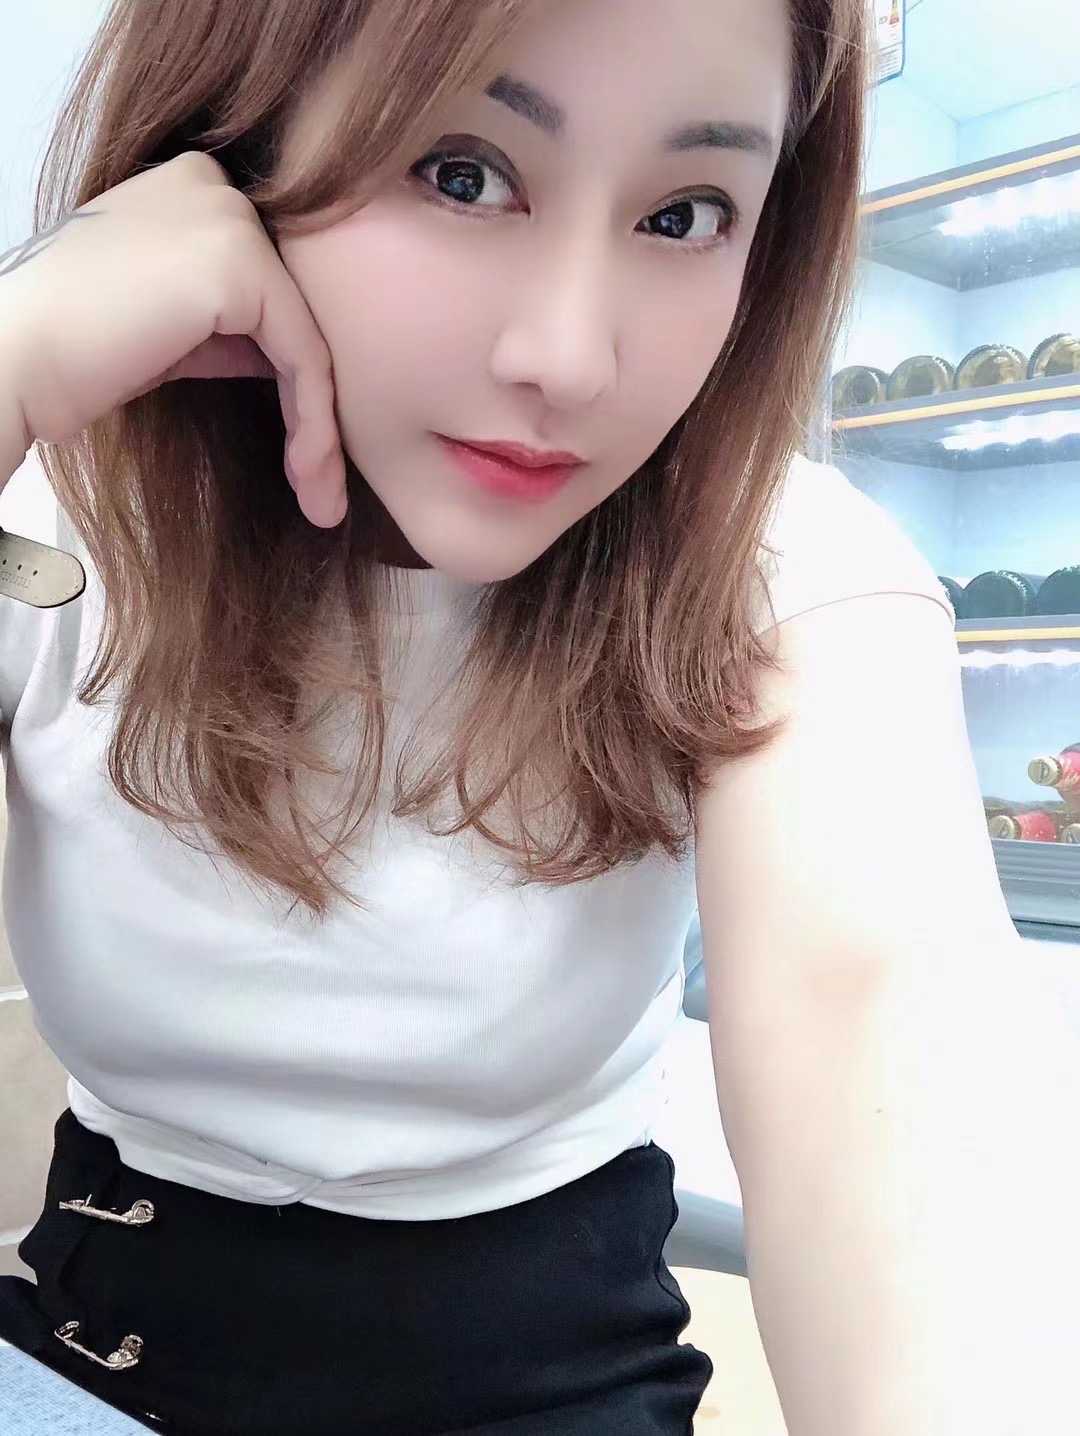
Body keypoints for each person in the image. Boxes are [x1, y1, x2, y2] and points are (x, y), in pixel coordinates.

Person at [2, 0, 1079, 1433]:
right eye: (460, 173)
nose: (569, 359)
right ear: (234, 147)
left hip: (553, 1373)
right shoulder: (57, 526)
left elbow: (886, 1052)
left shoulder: (787, 570)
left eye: (685, 215)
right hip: (98, 1346)